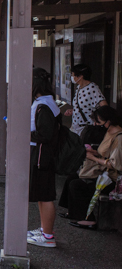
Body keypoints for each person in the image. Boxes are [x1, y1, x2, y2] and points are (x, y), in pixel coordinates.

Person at [64, 105, 122, 229]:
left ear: (109, 121)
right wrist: (94, 153)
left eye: (99, 122)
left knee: (77, 185)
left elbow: (114, 164)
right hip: (104, 172)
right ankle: (75, 213)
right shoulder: (109, 132)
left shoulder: (119, 137)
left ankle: (89, 220)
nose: (96, 125)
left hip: (111, 179)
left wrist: (94, 158)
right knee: (72, 178)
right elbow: (105, 153)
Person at [27, 69, 60, 248]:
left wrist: (25, 132)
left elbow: (45, 134)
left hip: (42, 155)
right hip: (43, 154)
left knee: (45, 195)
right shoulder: (47, 102)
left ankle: (48, 236)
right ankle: (44, 229)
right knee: (42, 194)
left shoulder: (44, 106)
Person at [63, 63, 107, 136]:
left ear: (80, 76)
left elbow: (104, 107)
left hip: (86, 129)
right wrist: (74, 111)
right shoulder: (79, 88)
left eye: (73, 75)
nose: (72, 77)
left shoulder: (93, 88)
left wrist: (98, 121)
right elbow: (84, 106)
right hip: (75, 127)